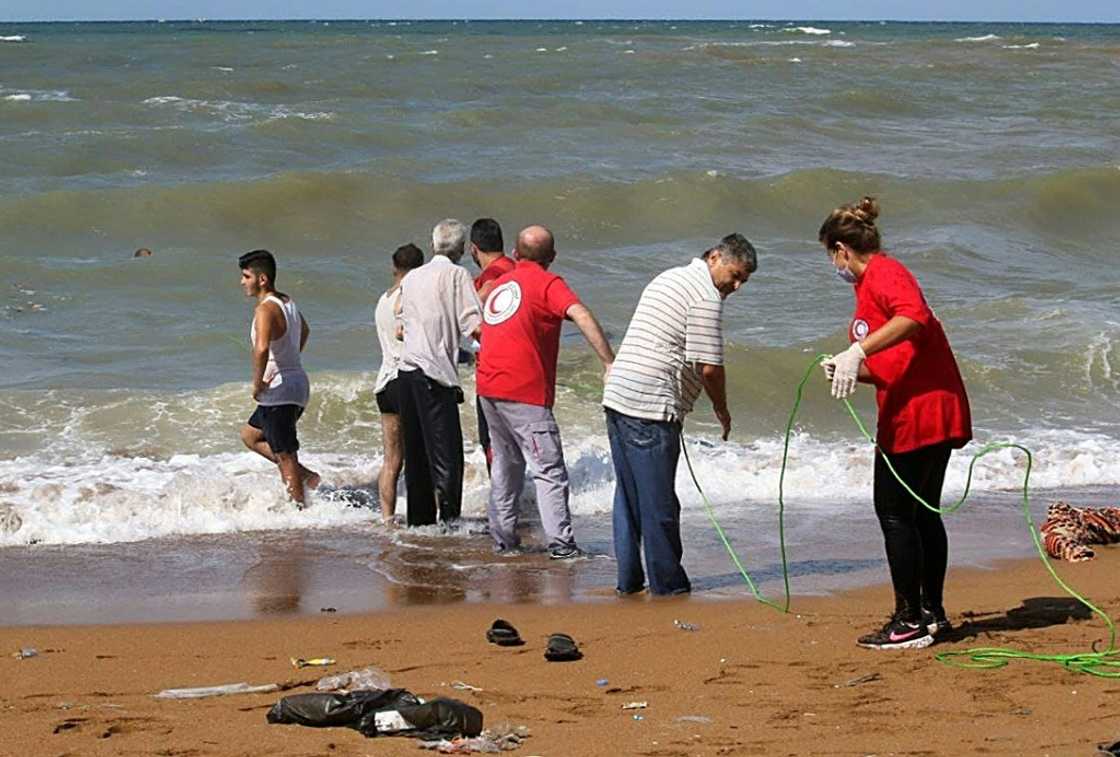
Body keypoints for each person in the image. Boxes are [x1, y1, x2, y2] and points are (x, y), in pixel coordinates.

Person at [819, 196, 972, 650]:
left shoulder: (886, 273)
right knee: (921, 512)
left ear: (843, 249)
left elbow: (915, 317)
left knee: (894, 512)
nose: (834, 265)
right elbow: (901, 357)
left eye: (832, 255)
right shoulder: (868, 288)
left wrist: (857, 352)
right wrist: (850, 367)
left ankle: (909, 619)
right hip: (926, 406)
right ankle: (932, 614)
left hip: (919, 416)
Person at [602, 234, 756, 595]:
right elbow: (710, 368)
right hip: (650, 406)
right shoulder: (705, 296)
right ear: (715, 256)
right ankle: (668, 587)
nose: (735, 286)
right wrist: (722, 409)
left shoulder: (670, 277)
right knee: (659, 505)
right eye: (734, 276)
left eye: (743, 281)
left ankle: (629, 582)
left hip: (619, 396)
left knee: (628, 498)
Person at [477, 225, 614, 559]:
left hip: (488, 386)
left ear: (515, 252)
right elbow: (579, 313)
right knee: (548, 469)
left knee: (506, 465)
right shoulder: (549, 283)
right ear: (552, 257)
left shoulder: (501, 284)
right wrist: (609, 362)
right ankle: (562, 546)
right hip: (524, 391)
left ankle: (504, 540)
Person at [396, 220, 483, 526]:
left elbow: (401, 328)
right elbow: (474, 325)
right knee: (447, 456)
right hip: (435, 375)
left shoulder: (412, 277)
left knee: (417, 454)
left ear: (433, 245)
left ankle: (419, 524)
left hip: (405, 374)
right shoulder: (458, 275)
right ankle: (449, 523)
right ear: (461, 249)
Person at [237, 249, 318, 507]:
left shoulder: (265, 309)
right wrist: (289, 359)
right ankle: (304, 475)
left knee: (285, 454)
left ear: (262, 279)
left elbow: (261, 348)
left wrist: (258, 383)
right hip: (295, 384)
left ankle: (299, 510)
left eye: (246, 276)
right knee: (250, 436)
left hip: (280, 390)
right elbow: (304, 330)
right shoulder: (287, 302)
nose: (242, 282)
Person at [373, 243, 425, 524]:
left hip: (383, 383)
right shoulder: (409, 297)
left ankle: (386, 518)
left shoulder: (383, 299)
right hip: (405, 379)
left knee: (391, 460)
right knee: (419, 454)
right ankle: (423, 516)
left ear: (394, 267)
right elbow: (408, 334)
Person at [469, 218, 516, 472]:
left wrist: (464, 313)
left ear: (473, 249)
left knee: (492, 441)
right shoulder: (514, 266)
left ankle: (504, 502)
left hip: (493, 370)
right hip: (517, 365)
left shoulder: (493, 273)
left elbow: (490, 287)